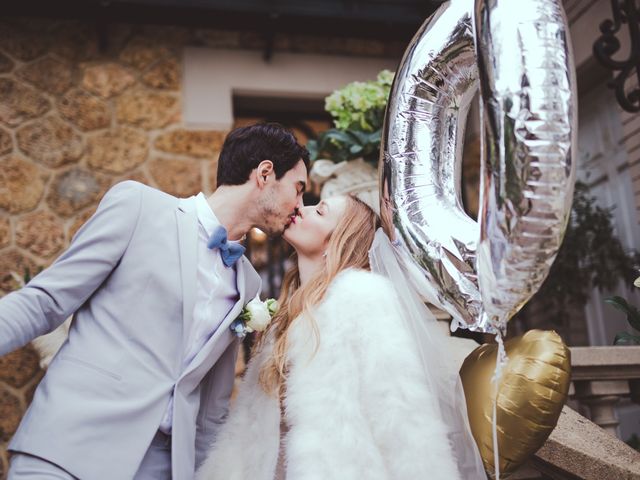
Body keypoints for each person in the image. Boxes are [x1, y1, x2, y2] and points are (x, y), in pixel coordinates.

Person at [0, 123, 309, 479]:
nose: (299, 205)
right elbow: (45, 301)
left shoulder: (248, 284)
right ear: (265, 174)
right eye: (297, 189)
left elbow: (213, 407)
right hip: (70, 447)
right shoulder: (138, 207)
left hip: (162, 468)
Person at [197, 195, 486, 480]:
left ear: (338, 240)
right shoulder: (288, 313)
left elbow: (401, 414)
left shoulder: (363, 297)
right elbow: (248, 426)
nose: (301, 208)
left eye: (320, 212)